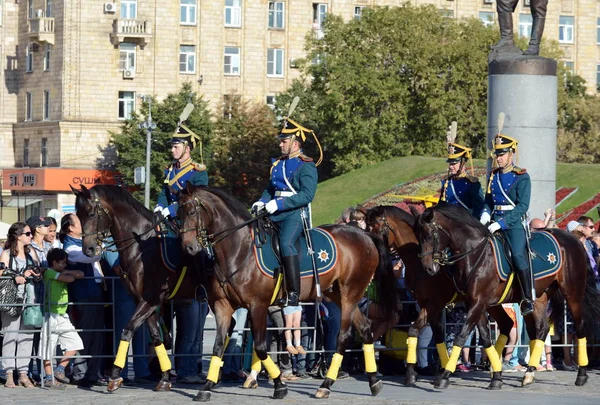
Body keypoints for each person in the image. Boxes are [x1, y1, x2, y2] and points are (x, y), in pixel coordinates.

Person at [252, 118, 319, 307]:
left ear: (295, 143)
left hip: (294, 213)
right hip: (273, 210)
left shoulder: (306, 165)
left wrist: (279, 204)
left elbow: (307, 195)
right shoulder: (278, 164)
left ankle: (293, 292)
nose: (280, 144)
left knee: (286, 242)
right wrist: (262, 201)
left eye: (284, 141)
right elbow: (269, 188)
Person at [480, 133, 534, 315]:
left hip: (512, 224)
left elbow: (523, 206)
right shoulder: (493, 176)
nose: (499, 158)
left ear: (511, 154)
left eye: (502, 154)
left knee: (518, 255)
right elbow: (488, 200)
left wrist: (501, 223)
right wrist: (485, 213)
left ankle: (527, 297)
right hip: (493, 222)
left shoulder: (521, 177)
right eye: (497, 154)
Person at [59, 213, 106, 387]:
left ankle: (93, 373)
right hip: (83, 295)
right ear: (70, 227)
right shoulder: (69, 246)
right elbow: (89, 256)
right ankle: (80, 372)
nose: (83, 223)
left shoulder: (83, 241)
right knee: (83, 334)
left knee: (97, 335)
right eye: (79, 221)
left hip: (96, 292)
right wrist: (101, 247)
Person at [0, 222, 41, 388]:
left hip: (30, 298)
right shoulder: (7, 253)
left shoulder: (31, 252)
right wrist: (17, 275)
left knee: (27, 336)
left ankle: (23, 373)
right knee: (11, 335)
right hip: (12, 299)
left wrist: (33, 272)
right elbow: (1, 272)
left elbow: (39, 270)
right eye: (27, 234)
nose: (30, 236)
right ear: (18, 236)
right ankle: (9, 372)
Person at [40, 248, 84, 389]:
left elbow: (81, 274)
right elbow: (70, 278)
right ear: (54, 262)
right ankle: (48, 377)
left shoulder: (59, 271)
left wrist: (65, 270)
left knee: (75, 343)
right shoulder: (49, 272)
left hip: (62, 315)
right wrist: (66, 273)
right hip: (50, 315)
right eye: (62, 263)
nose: (65, 265)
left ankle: (59, 370)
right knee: (47, 348)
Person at [154, 124, 208, 223]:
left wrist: (171, 210)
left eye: (176, 147)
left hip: (188, 221)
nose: (172, 150)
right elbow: (165, 193)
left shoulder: (198, 172)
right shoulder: (170, 170)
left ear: (186, 149)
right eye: (172, 147)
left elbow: (197, 199)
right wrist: (160, 206)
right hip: (170, 220)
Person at [440, 141, 484, 219]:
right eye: (450, 163)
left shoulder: (472, 184)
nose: (451, 167)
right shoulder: (447, 182)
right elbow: (441, 206)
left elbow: (479, 209)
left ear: (463, 163)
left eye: (454, 164)